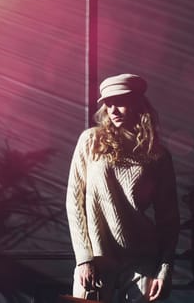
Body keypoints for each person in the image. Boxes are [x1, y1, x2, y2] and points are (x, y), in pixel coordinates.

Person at [66, 74, 180, 303]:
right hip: (97, 259)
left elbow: (169, 218)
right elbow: (74, 200)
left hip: (143, 259)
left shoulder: (157, 154)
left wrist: (165, 269)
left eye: (121, 101)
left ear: (138, 103)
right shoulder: (91, 141)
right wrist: (84, 259)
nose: (113, 110)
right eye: (108, 103)